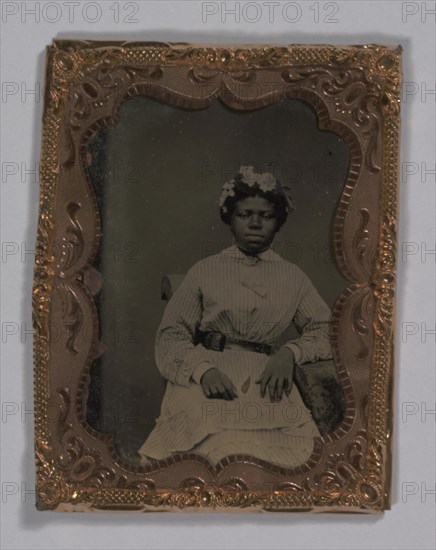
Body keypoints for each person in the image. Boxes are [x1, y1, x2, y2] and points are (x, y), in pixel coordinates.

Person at [137, 165, 333, 469]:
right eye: (245, 215)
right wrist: (203, 371)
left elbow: (325, 330)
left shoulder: (293, 277)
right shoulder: (205, 270)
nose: (255, 224)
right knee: (207, 455)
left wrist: (289, 353)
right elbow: (171, 335)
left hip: (266, 377)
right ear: (230, 218)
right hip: (210, 374)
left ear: (278, 222)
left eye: (266, 216)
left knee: (283, 463)